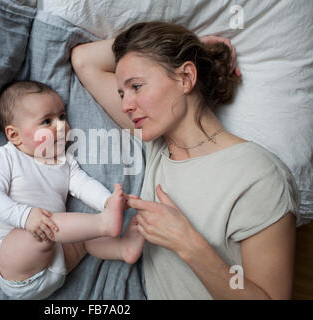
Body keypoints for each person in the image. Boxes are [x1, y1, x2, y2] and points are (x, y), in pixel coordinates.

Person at [71, 21, 299, 299]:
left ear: (185, 78)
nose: (125, 105)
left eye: (137, 86)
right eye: (122, 93)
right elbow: (83, 61)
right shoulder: (157, 144)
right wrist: (197, 46)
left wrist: (188, 244)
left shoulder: (259, 176)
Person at [0, 80, 145, 299]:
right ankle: (103, 223)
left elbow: (83, 185)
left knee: (84, 239)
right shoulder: (6, 157)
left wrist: (108, 201)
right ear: (15, 135)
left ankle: (123, 249)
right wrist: (25, 216)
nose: (60, 126)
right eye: (47, 121)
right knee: (43, 230)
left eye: (62, 117)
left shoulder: (63, 161)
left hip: (59, 262)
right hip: (13, 261)